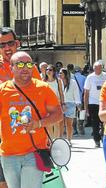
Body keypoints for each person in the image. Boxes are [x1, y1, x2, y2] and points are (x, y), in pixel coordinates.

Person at [0, 51, 63, 188]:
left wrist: (38, 124)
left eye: (29, 64)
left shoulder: (43, 88)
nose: (25, 68)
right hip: (8, 155)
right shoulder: (3, 90)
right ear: (11, 68)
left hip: (34, 152)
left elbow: (58, 114)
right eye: (20, 64)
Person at [0, 27, 41, 188]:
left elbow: (42, 101)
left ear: (17, 43)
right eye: (2, 45)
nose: (7, 48)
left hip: (30, 141)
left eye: (10, 43)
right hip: (4, 141)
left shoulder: (30, 68)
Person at [84, 59, 106, 147]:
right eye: (96, 68)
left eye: (99, 68)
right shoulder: (90, 77)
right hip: (93, 103)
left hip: (104, 102)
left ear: (102, 68)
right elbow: (86, 92)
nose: (98, 70)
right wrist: (86, 107)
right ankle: (96, 140)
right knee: (95, 123)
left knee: (105, 122)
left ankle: (104, 138)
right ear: (94, 69)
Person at [59, 68, 81, 145]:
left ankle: (69, 140)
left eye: (61, 73)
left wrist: (78, 104)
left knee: (69, 124)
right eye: (59, 73)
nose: (59, 74)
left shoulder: (73, 82)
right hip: (61, 103)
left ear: (65, 74)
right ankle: (60, 140)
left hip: (71, 104)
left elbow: (76, 92)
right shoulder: (58, 82)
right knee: (60, 123)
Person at [44, 64, 65, 139]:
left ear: (54, 72)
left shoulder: (58, 81)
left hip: (56, 103)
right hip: (46, 105)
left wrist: (63, 104)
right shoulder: (43, 81)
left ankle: (56, 140)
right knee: (49, 124)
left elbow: (61, 93)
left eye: (50, 70)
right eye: (47, 70)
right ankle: (51, 140)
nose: (48, 71)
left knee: (57, 123)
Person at [73, 66, 86, 135]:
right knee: (81, 114)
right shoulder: (84, 78)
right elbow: (85, 89)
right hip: (81, 99)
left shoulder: (72, 78)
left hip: (74, 99)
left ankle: (75, 130)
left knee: (74, 115)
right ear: (80, 71)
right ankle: (81, 128)